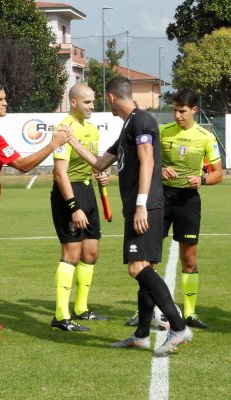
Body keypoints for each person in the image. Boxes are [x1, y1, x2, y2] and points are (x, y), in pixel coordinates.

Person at [68, 76, 192, 355]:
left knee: (137, 268)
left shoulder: (142, 120)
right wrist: (72, 141)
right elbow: (101, 163)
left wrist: (140, 205)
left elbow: (148, 160)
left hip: (145, 207)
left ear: (111, 97)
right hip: (139, 206)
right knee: (143, 267)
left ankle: (178, 326)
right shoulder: (128, 126)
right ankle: (140, 335)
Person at [0, 79, 72, 339]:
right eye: (0, 99)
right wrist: (53, 144)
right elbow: (23, 165)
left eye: (5, 98)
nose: (6, 102)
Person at [158, 88, 223, 330]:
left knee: (189, 258)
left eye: (182, 111)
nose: (177, 115)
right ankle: (143, 310)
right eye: (174, 110)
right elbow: (145, 161)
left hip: (188, 202)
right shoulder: (162, 132)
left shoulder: (206, 137)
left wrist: (203, 180)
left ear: (194, 110)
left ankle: (190, 313)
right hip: (161, 198)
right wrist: (159, 170)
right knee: (150, 256)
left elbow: (218, 174)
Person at [50, 84, 109, 332]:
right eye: (87, 102)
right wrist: (74, 207)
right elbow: (59, 173)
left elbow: (94, 163)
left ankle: (81, 309)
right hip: (68, 195)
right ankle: (61, 316)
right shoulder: (64, 129)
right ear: (73, 102)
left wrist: (101, 175)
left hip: (88, 192)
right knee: (71, 254)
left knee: (91, 253)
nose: (92, 106)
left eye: (93, 102)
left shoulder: (93, 130)